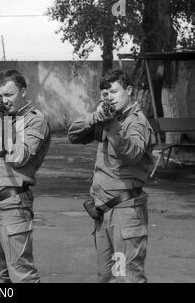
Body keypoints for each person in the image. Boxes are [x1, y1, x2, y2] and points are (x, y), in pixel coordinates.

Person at [67, 69, 155, 283]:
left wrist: (113, 125)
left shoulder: (136, 122)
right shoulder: (109, 119)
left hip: (125, 213)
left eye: (114, 92)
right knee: (106, 277)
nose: (110, 97)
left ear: (129, 90)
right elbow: (74, 135)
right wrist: (97, 117)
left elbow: (132, 154)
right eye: (106, 94)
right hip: (104, 211)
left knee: (126, 277)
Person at [0, 69, 50, 283]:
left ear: (23, 92)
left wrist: (3, 123)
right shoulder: (2, 116)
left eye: (9, 95)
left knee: (22, 274)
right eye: (1, 96)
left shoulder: (35, 120)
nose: (5, 100)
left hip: (13, 206)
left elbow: (18, 157)